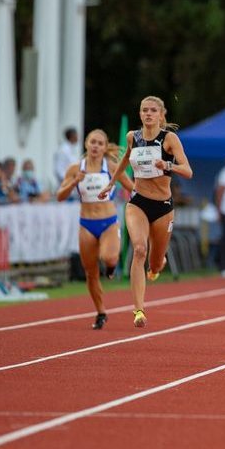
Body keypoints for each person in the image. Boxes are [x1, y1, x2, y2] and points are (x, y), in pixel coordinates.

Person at [98, 96, 193, 328]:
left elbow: (188, 171)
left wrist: (167, 165)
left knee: (156, 262)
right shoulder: (134, 137)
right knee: (139, 249)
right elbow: (124, 162)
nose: (148, 114)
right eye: (144, 110)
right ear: (140, 114)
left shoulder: (169, 139)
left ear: (161, 114)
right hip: (138, 202)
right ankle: (138, 310)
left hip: (163, 208)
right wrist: (112, 183)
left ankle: (157, 264)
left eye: (153, 110)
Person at [56, 129, 134, 329]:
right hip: (86, 224)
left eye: (100, 143)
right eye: (93, 142)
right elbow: (60, 196)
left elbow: (131, 188)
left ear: (105, 147)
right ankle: (101, 312)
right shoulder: (75, 169)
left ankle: (110, 267)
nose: (96, 146)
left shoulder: (112, 167)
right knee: (90, 273)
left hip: (108, 221)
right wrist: (75, 181)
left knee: (109, 257)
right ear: (86, 144)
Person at [54, 127, 81, 198]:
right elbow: (58, 170)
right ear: (72, 136)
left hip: (72, 190)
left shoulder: (71, 150)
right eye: (77, 135)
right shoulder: (63, 150)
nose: (78, 137)